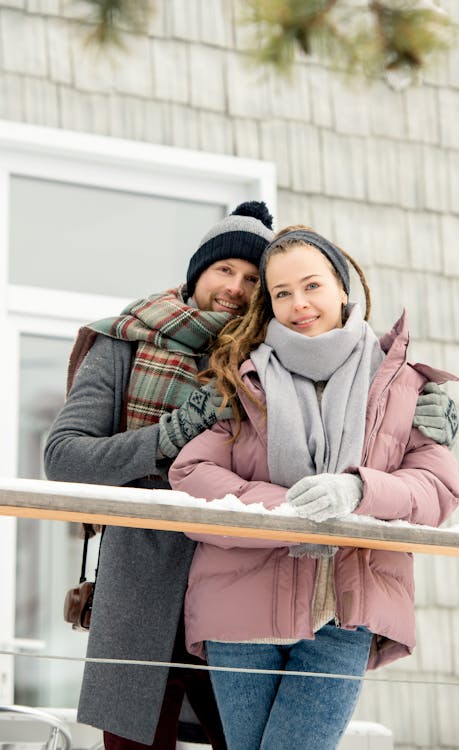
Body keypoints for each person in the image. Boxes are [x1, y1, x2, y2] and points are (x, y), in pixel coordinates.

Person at [168, 226, 459, 750]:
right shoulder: (244, 378)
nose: (299, 304)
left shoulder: (400, 382)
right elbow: (191, 476)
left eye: (312, 286)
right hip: (240, 615)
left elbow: (436, 487)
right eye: (282, 293)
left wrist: (357, 493)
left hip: (342, 616)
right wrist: (289, 510)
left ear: (342, 289)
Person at [43, 201, 275, 750]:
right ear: (198, 271)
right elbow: (65, 457)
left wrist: (421, 417)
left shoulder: (271, 361)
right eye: (225, 270)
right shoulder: (123, 342)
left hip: (236, 592)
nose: (236, 289)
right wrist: (164, 441)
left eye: (251, 279)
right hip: (138, 592)